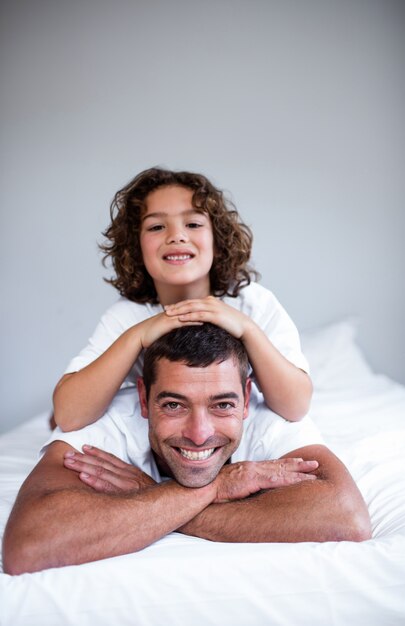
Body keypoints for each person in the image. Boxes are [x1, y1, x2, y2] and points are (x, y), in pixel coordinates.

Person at [3, 324, 371, 575]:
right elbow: (28, 546)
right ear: (144, 399)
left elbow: (347, 517)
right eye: (174, 405)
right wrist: (216, 487)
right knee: (58, 421)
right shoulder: (108, 420)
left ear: (246, 398)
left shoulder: (268, 417)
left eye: (222, 405)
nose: (199, 434)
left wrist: (154, 495)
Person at [52, 167, 312, 432]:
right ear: (136, 247)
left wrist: (247, 330)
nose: (176, 235)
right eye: (156, 226)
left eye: (193, 224)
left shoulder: (253, 303)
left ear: (217, 240)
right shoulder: (128, 316)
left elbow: (296, 406)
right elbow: (69, 416)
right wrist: (138, 336)